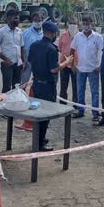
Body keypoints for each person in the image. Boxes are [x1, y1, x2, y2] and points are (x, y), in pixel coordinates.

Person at [28, 21, 74, 151]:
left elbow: (30, 61)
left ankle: (38, 138)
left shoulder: (34, 45)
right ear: (53, 33)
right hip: (48, 86)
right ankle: (40, 143)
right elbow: (54, 69)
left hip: (36, 84)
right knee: (45, 115)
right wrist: (67, 62)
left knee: (37, 113)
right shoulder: (52, 49)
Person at [71, 15, 103, 120]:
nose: (86, 26)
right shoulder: (78, 36)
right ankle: (81, 110)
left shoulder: (98, 37)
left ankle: (95, 112)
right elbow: (72, 50)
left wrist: (99, 66)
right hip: (80, 68)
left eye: (88, 23)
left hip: (93, 69)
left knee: (95, 91)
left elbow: (101, 52)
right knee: (80, 90)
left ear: (91, 23)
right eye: (84, 23)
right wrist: (73, 65)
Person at [0, 9, 24, 92]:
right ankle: (4, 104)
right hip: (7, 64)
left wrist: (24, 61)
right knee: (7, 87)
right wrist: (5, 59)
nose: (17, 20)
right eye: (15, 18)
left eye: (18, 18)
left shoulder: (19, 31)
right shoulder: (1, 32)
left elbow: (22, 47)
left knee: (17, 87)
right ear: (9, 18)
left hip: (18, 64)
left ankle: (15, 104)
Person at [58, 17, 78, 105]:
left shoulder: (80, 36)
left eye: (74, 24)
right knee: (63, 86)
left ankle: (76, 105)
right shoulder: (63, 35)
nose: (72, 26)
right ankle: (62, 104)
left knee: (76, 87)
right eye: (71, 23)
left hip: (76, 65)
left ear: (77, 25)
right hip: (64, 64)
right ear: (68, 25)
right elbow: (59, 48)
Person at [21, 12, 44, 85]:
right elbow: (22, 47)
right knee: (23, 82)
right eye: (35, 20)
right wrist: (23, 61)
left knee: (38, 82)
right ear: (32, 21)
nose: (37, 22)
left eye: (39, 20)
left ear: (42, 21)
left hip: (40, 63)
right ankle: (22, 95)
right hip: (28, 62)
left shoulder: (45, 33)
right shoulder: (26, 33)